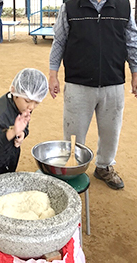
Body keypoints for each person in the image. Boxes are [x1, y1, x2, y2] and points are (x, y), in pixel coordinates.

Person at [48, 0, 137, 190]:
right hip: (77, 83)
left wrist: (135, 73)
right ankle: (73, 167)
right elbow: (59, 40)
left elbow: (132, 41)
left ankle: (104, 166)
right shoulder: (70, 6)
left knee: (111, 130)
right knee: (74, 132)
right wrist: (53, 75)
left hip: (113, 81)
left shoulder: (122, 6)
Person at [0, 68, 48, 185]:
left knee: (5, 187)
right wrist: (12, 133)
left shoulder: (22, 106)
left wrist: (22, 133)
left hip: (7, 159)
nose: (31, 107)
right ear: (14, 91)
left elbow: (23, 125)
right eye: (28, 101)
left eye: (36, 102)